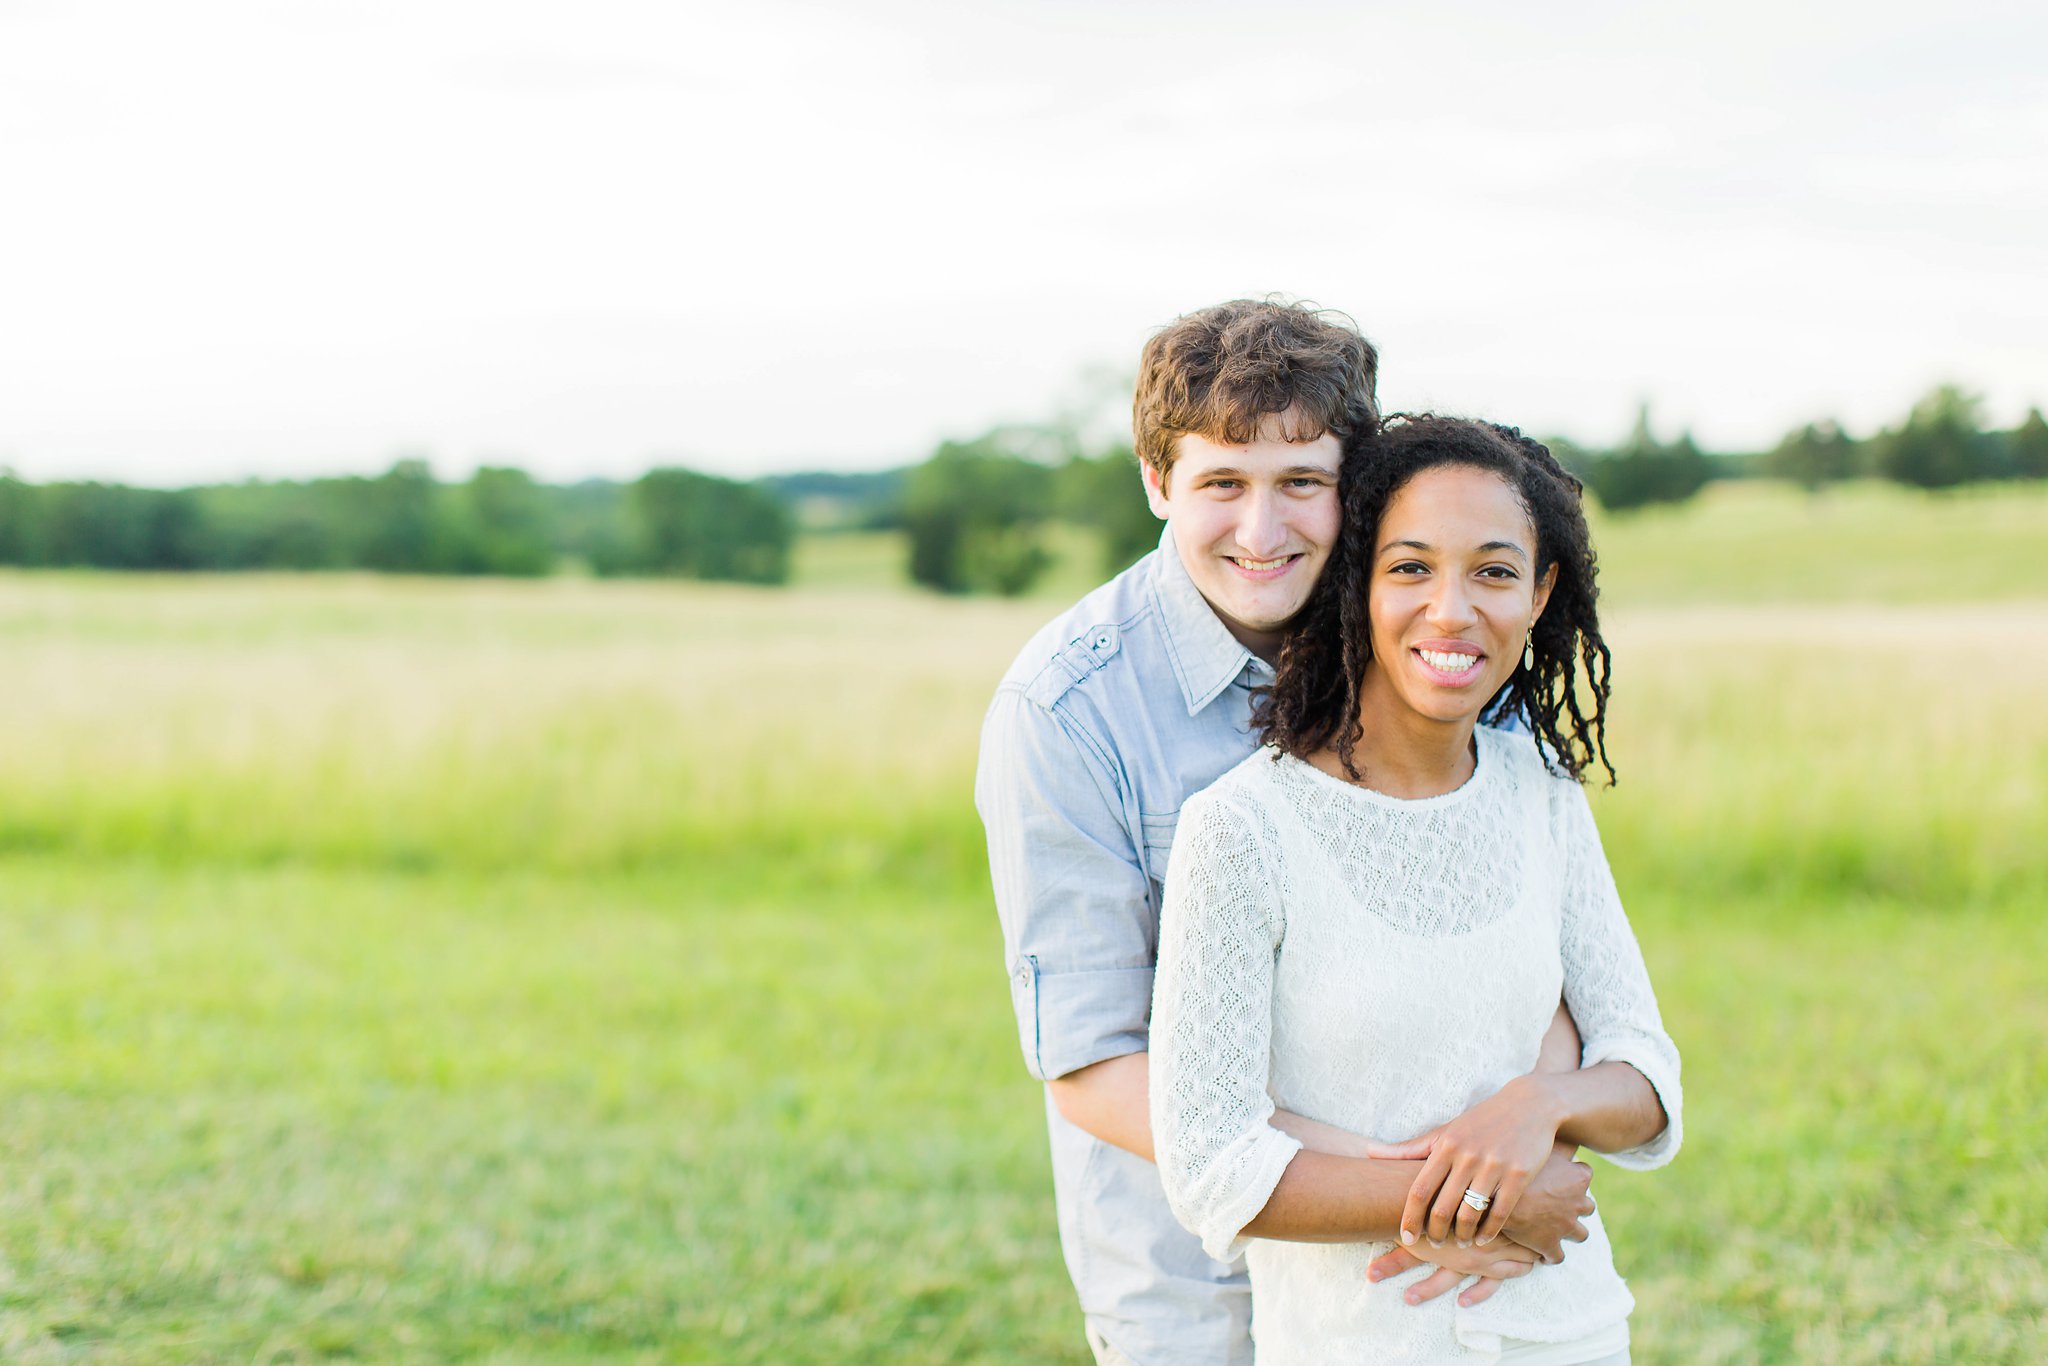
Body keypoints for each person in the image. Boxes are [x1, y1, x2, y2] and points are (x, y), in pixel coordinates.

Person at [976, 301, 1599, 1366]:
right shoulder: (1065, 708)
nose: (1260, 534)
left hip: (1427, 1282)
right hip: (1195, 1282)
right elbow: (1087, 1059)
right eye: (1220, 482)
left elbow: (1533, 957)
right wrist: (1429, 1188)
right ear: (1154, 479)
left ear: (1351, 480)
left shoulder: (1430, 640)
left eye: (1299, 483)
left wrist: (1516, 1133)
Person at [1148, 415, 1684, 1364]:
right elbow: (1211, 1166)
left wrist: (1536, 1109)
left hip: (1568, 1330)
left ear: (1539, 592)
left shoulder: (1542, 796)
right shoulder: (1243, 829)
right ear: (1356, 583)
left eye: (1492, 571)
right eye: (1410, 568)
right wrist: (1495, 1192)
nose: (1451, 610)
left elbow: (1644, 1080)